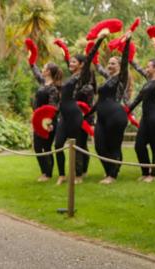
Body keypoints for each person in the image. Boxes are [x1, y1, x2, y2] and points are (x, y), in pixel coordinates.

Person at [86, 32, 132, 184]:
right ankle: (108, 172)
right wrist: (88, 113)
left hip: (116, 115)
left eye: (113, 63)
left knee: (114, 146)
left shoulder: (121, 78)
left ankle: (112, 175)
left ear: (120, 66)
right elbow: (100, 100)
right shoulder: (108, 79)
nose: (110, 65)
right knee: (99, 146)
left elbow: (125, 60)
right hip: (102, 116)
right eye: (109, 63)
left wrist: (127, 41)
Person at [54, 37, 100, 185]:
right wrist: (62, 46)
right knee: (57, 145)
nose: (70, 63)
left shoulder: (82, 78)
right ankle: (61, 175)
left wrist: (100, 39)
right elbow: (66, 58)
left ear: (81, 65)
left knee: (79, 145)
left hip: (75, 114)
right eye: (71, 61)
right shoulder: (70, 77)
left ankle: (79, 174)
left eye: (74, 62)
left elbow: (90, 58)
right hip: (64, 116)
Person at [28, 57, 62, 182]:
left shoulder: (53, 88)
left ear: (48, 71)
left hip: (48, 121)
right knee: (37, 147)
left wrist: (48, 122)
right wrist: (31, 62)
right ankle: (44, 171)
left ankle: (47, 174)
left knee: (46, 147)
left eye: (44, 67)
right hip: (38, 120)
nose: (42, 69)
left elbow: (53, 107)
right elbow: (36, 72)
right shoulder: (43, 82)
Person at [127, 59, 155, 183]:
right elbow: (138, 99)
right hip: (145, 118)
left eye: (148, 66)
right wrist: (126, 111)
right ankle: (145, 172)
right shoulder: (148, 82)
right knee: (139, 145)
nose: (146, 69)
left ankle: (153, 174)